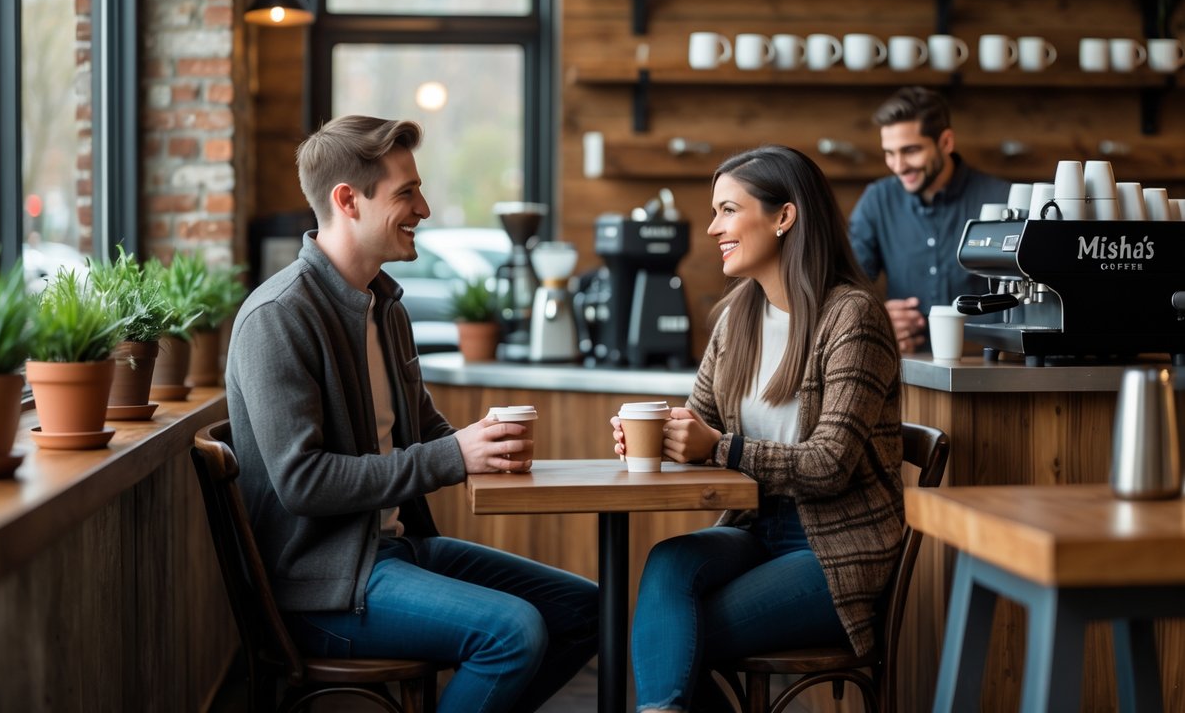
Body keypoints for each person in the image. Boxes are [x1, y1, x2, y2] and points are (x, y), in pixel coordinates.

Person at [226, 114, 598, 713]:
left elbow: (424, 430)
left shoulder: (384, 306)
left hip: (393, 551)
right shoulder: (278, 317)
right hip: (322, 585)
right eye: (407, 192)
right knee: (512, 632)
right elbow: (303, 482)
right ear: (348, 200)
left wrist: (485, 445)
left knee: (588, 610)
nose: (424, 208)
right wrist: (454, 456)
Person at [614, 145, 905, 713]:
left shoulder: (851, 316)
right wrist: (659, 435)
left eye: (727, 210)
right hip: (757, 528)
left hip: (835, 550)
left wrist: (718, 446)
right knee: (669, 565)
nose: (712, 227)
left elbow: (829, 464)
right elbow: (703, 424)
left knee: (671, 638)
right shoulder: (737, 314)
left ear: (783, 216)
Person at [849, 86, 1011, 352]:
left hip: (988, 371)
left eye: (910, 150)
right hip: (906, 375)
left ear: (946, 142)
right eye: (890, 153)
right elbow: (844, 287)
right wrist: (875, 317)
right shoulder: (877, 200)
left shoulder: (1002, 200)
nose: (898, 166)